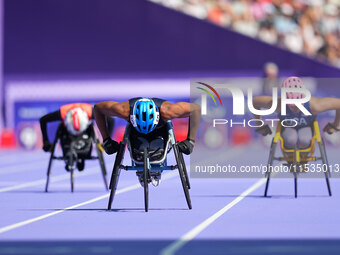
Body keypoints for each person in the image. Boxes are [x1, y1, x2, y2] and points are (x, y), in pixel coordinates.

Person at [94, 97, 201, 186]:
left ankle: (156, 163)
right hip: (136, 132)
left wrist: (190, 140)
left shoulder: (168, 111)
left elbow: (196, 109)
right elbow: (97, 108)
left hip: (159, 132)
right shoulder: (123, 110)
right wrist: (106, 140)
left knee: (158, 152)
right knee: (137, 150)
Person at [253, 76, 340, 153]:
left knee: (304, 140)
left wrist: (335, 125)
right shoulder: (277, 104)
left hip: (307, 126)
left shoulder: (315, 105)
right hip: (287, 126)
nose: (296, 109)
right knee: (290, 140)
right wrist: (260, 125)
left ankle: (303, 157)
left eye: (298, 105)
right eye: (292, 106)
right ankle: (290, 158)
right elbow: (254, 102)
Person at [40, 103, 114, 171]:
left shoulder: (90, 112)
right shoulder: (63, 112)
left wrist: (106, 141)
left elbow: (111, 120)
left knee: (91, 128)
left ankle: (82, 154)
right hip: (67, 134)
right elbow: (43, 120)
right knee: (61, 129)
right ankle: (69, 154)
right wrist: (46, 142)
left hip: (86, 134)